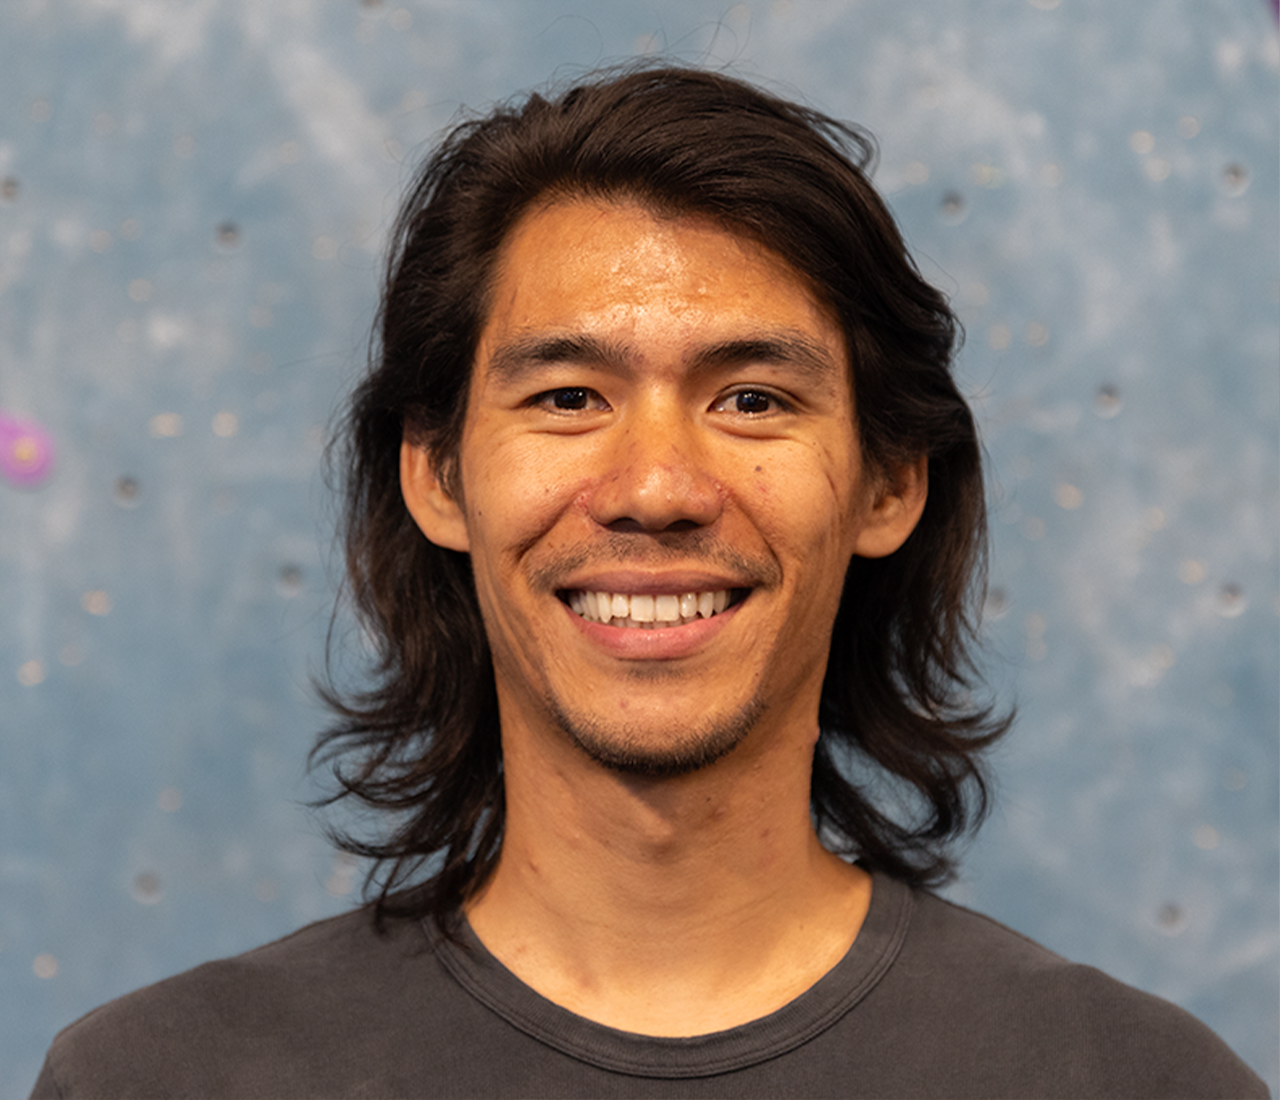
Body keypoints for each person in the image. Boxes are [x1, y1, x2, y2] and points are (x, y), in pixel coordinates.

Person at [32, 65, 1266, 1099]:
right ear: (437, 475)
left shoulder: (1133, 1080)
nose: (658, 485)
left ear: (888, 483)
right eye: (568, 396)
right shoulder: (159, 1079)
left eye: (752, 398)